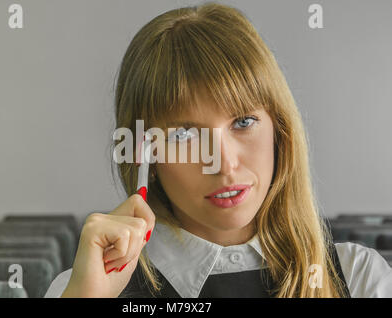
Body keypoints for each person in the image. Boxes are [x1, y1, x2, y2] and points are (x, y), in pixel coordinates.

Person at [44, 2, 392, 298]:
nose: (224, 163)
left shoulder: (360, 278)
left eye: (243, 122)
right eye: (183, 135)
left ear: (280, 130)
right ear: (145, 156)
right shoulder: (84, 287)